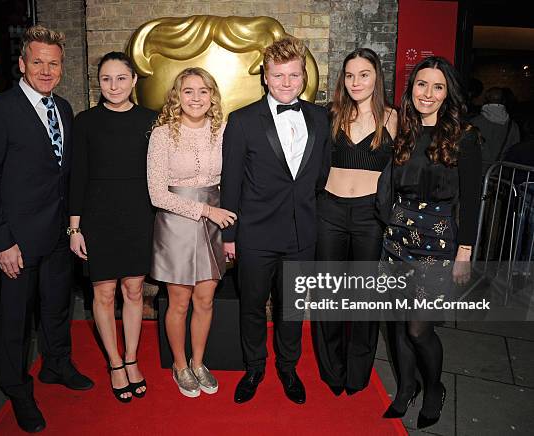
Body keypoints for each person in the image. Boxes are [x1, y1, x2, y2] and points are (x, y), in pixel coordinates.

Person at [0, 25, 93, 433]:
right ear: (22, 64)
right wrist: (1, 242)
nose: (46, 70)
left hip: (57, 236)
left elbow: (66, 175)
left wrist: (73, 227)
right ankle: (17, 389)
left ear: (61, 68)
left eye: (53, 63)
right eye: (37, 62)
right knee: (15, 321)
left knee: (57, 308)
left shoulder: (65, 109)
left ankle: (57, 365)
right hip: (17, 243)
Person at [220, 37, 330, 404]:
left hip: (302, 233)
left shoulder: (320, 117)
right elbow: (231, 183)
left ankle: (288, 367)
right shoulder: (242, 120)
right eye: (278, 75)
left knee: (292, 308)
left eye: (293, 75)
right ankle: (254, 368)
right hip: (254, 234)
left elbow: (320, 177)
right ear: (265, 77)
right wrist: (230, 236)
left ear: (303, 77)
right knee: (251, 305)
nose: (286, 82)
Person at [380, 56, 481, 429]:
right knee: (396, 322)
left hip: (438, 245)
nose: (428, 93)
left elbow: (471, 200)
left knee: (418, 328)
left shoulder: (464, 137)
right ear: (412, 89)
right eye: (422, 84)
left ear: (447, 93)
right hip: (397, 239)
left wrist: (465, 252)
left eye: (437, 86)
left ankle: (434, 387)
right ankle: (406, 389)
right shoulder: (403, 131)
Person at [69, 52, 156, 403]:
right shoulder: (85, 121)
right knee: (103, 294)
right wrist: (75, 229)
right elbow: (77, 176)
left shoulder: (152, 120)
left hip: (139, 215)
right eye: (106, 79)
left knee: (134, 291)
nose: (114, 85)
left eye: (121, 78)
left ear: (134, 81)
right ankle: (115, 363)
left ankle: (132, 357)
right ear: (98, 83)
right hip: (98, 217)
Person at [147, 67, 235, 398]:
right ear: (177, 96)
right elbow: (157, 194)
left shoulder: (224, 131)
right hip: (175, 223)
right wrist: (205, 210)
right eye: (188, 91)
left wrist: (229, 229)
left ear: (212, 95)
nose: (196, 98)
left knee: (206, 298)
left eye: (203, 91)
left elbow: (232, 181)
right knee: (179, 301)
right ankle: (179, 364)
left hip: (216, 223)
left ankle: (199, 362)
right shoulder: (162, 135)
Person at [314, 48, 397, 396]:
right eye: (349, 75)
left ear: (376, 77)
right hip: (329, 212)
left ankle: (357, 373)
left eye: (363, 74)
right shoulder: (331, 115)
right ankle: (332, 370)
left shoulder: (394, 117)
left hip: (369, 217)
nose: (356, 82)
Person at [471, 87, 520, 172]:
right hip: (499, 175)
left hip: (475, 172)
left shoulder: (474, 122)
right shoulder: (513, 126)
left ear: (485, 100)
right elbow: (515, 151)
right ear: (503, 101)